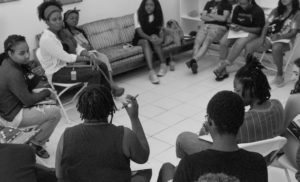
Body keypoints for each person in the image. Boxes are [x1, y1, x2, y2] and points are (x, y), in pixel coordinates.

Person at [176, 55, 284, 158]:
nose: (235, 94)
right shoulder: (277, 105)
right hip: (265, 161)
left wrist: (207, 127)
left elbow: (207, 137)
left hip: (233, 162)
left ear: (251, 90)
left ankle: (192, 171)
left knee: (182, 138)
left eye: (237, 90)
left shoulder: (240, 122)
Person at [158, 91, 268, 182]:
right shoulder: (258, 163)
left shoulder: (189, 165)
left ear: (210, 122)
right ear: (241, 121)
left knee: (167, 168)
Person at [55, 85, 151, 182]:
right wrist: (134, 118)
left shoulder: (66, 136)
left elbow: (59, 175)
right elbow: (143, 157)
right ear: (111, 108)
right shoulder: (125, 136)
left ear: (80, 108)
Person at [36, 1, 124, 97]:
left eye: (59, 18)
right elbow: (67, 57)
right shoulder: (46, 39)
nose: (58, 22)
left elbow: (77, 47)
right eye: (54, 20)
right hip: (57, 74)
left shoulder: (62, 32)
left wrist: (89, 54)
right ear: (47, 21)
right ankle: (92, 104)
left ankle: (106, 96)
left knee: (101, 65)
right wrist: (88, 59)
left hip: (67, 67)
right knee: (94, 73)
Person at [0, 35, 61, 159]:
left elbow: (25, 87)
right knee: (56, 112)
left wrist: (37, 75)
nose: (27, 55)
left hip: (13, 105)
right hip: (13, 116)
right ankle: (36, 143)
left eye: (27, 51)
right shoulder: (12, 72)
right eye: (22, 53)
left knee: (49, 99)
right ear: (10, 53)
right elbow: (28, 101)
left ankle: (35, 135)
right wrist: (46, 93)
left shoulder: (8, 62)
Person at [63, 8, 124, 95]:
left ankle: (111, 83)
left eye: (76, 18)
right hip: (80, 56)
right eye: (71, 18)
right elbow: (69, 50)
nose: (74, 20)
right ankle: (110, 87)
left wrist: (88, 47)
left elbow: (90, 45)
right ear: (65, 20)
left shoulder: (80, 31)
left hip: (90, 52)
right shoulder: (64, 33)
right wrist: (83, 49)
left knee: (103, 57)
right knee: (97, 61)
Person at [245, 0, 300, 87]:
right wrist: (262, 38)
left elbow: (293, 33)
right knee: (249, 46)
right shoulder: (276, 11)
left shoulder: (297, 14)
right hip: (270, 37)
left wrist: (280, 36)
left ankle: (280, 74)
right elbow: (266, 25)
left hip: (286, 40)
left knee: (276, 47)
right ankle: (248, 71)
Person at [213, 0, 265, 81]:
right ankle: (223, 69)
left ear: (250, 1)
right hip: (238, 31)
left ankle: (223, 66)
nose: (241, 5)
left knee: (239, 43)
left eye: (243, 4)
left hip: (252, 32)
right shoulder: (237, 8)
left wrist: (241, 28)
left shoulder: (258, 11)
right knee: (223, 42)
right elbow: (233, 23)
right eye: (239, 3)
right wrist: (233, 26)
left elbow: (258, 30)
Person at [186, 0, 232, 74]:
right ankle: (194, 63)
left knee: (207, 41)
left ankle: (194, 59)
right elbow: (203, 17)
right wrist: (216, 18)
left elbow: (223, 19)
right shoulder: (209, 3)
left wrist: (210, 15)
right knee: (197, 41)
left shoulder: (227, 4)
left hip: (219, 27)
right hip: (206, 25)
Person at [132, 0, 166, 84]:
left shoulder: (158, 13)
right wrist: (150, 38)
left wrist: (161, 39)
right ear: (143, 5)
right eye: (146, 4)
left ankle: (163, 64)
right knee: (146, 42)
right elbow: (139, 32)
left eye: (151, 5)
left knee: (155, 38)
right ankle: (151, 72)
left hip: (153, 35)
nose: (148, 7)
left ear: (155, 6)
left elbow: (161, 30)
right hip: (140, 38)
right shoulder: (137, 14)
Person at [284, 58, 300, 181]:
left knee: (283, 132)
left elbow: (282, 128)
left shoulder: (295, 99)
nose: (292, 78)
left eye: (296, 74)